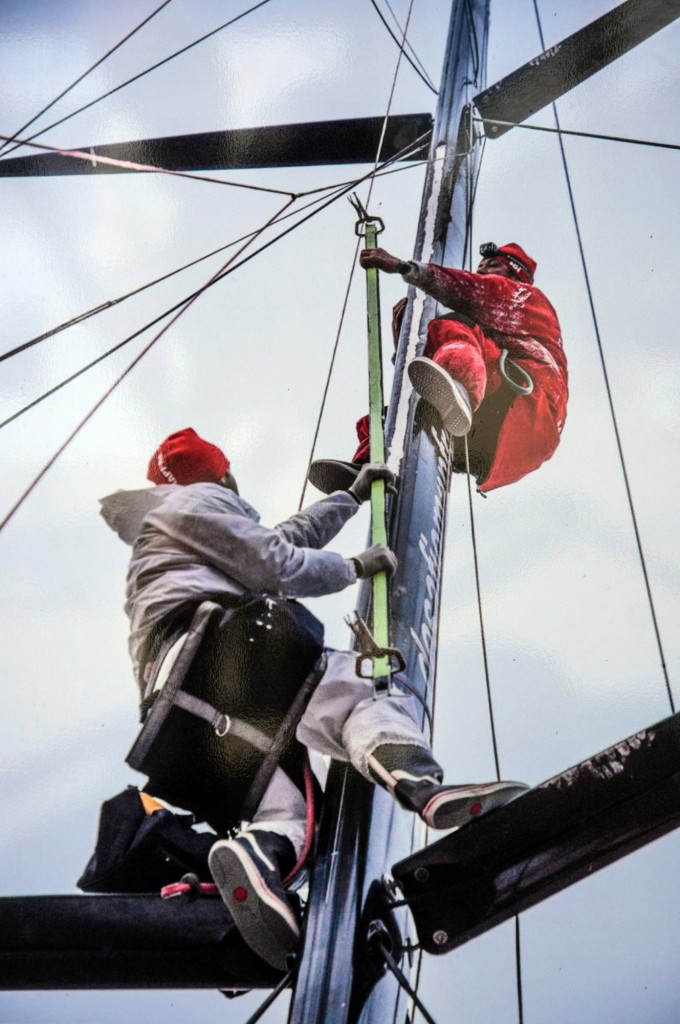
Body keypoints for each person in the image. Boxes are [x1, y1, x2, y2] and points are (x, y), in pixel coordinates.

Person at [101, 427, 527, 970]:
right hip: (221, 656)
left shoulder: (165, 535)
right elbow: (277, 564)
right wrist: (355, 567)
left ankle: (260, 857)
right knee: (356, 695)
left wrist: (348, 499)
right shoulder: (195, 503)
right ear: (221, 475)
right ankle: (417, 781)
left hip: (182, 717)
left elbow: (283, 538)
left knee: (287, 813)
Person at [310, 242, 568, 495]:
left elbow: (475, 291)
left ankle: (461, 390)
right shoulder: (493, 332)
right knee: (404, 414)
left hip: (527, 409)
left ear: (515, 274)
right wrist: (408, 333)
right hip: (493, 447)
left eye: (493, 266)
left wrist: (405, 268)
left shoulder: (526, 298)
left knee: (454, 324)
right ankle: (369, 467)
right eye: (480, 266)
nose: (482, 271)